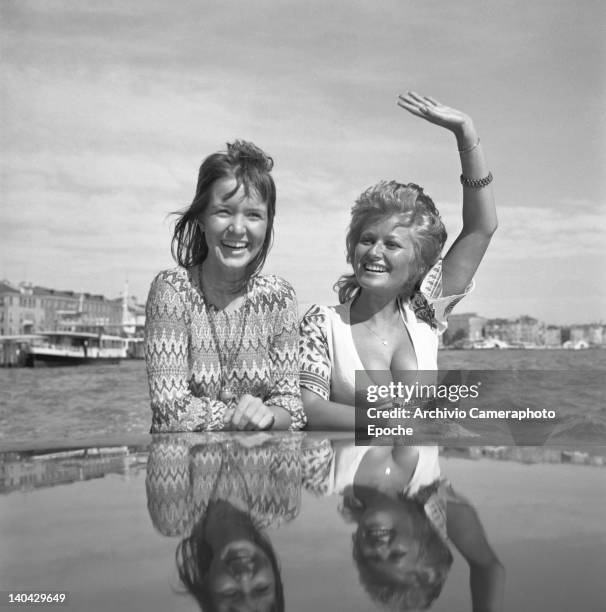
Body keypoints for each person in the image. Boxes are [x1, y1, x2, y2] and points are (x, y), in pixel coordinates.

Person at [299, 92, 498, 429]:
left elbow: (482, 227)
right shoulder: (322, 323)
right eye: (366, 240)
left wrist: (466, 135)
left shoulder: (426, 311)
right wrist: (383, 419)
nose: (374, 252)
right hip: (350, 477)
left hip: (423, 478)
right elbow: (309, 408)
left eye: (392, 244)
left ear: (419, 262)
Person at [145, 141, 306, 433]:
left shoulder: (280, 297)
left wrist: (269, 416)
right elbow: (170, 412)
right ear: (202, 219)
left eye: (253, 215)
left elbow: (292, 408)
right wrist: (250, 415)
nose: (238, 228)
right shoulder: (171, 291)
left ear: (267, 225)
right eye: (223, 212)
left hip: (258, 474)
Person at [302, 438, 505, 611]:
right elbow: (487, 567)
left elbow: (306, 410)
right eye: (396, 555)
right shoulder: (428, 487)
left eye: (372, 557)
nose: (379, 548)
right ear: (421, 539)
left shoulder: (323, 477)